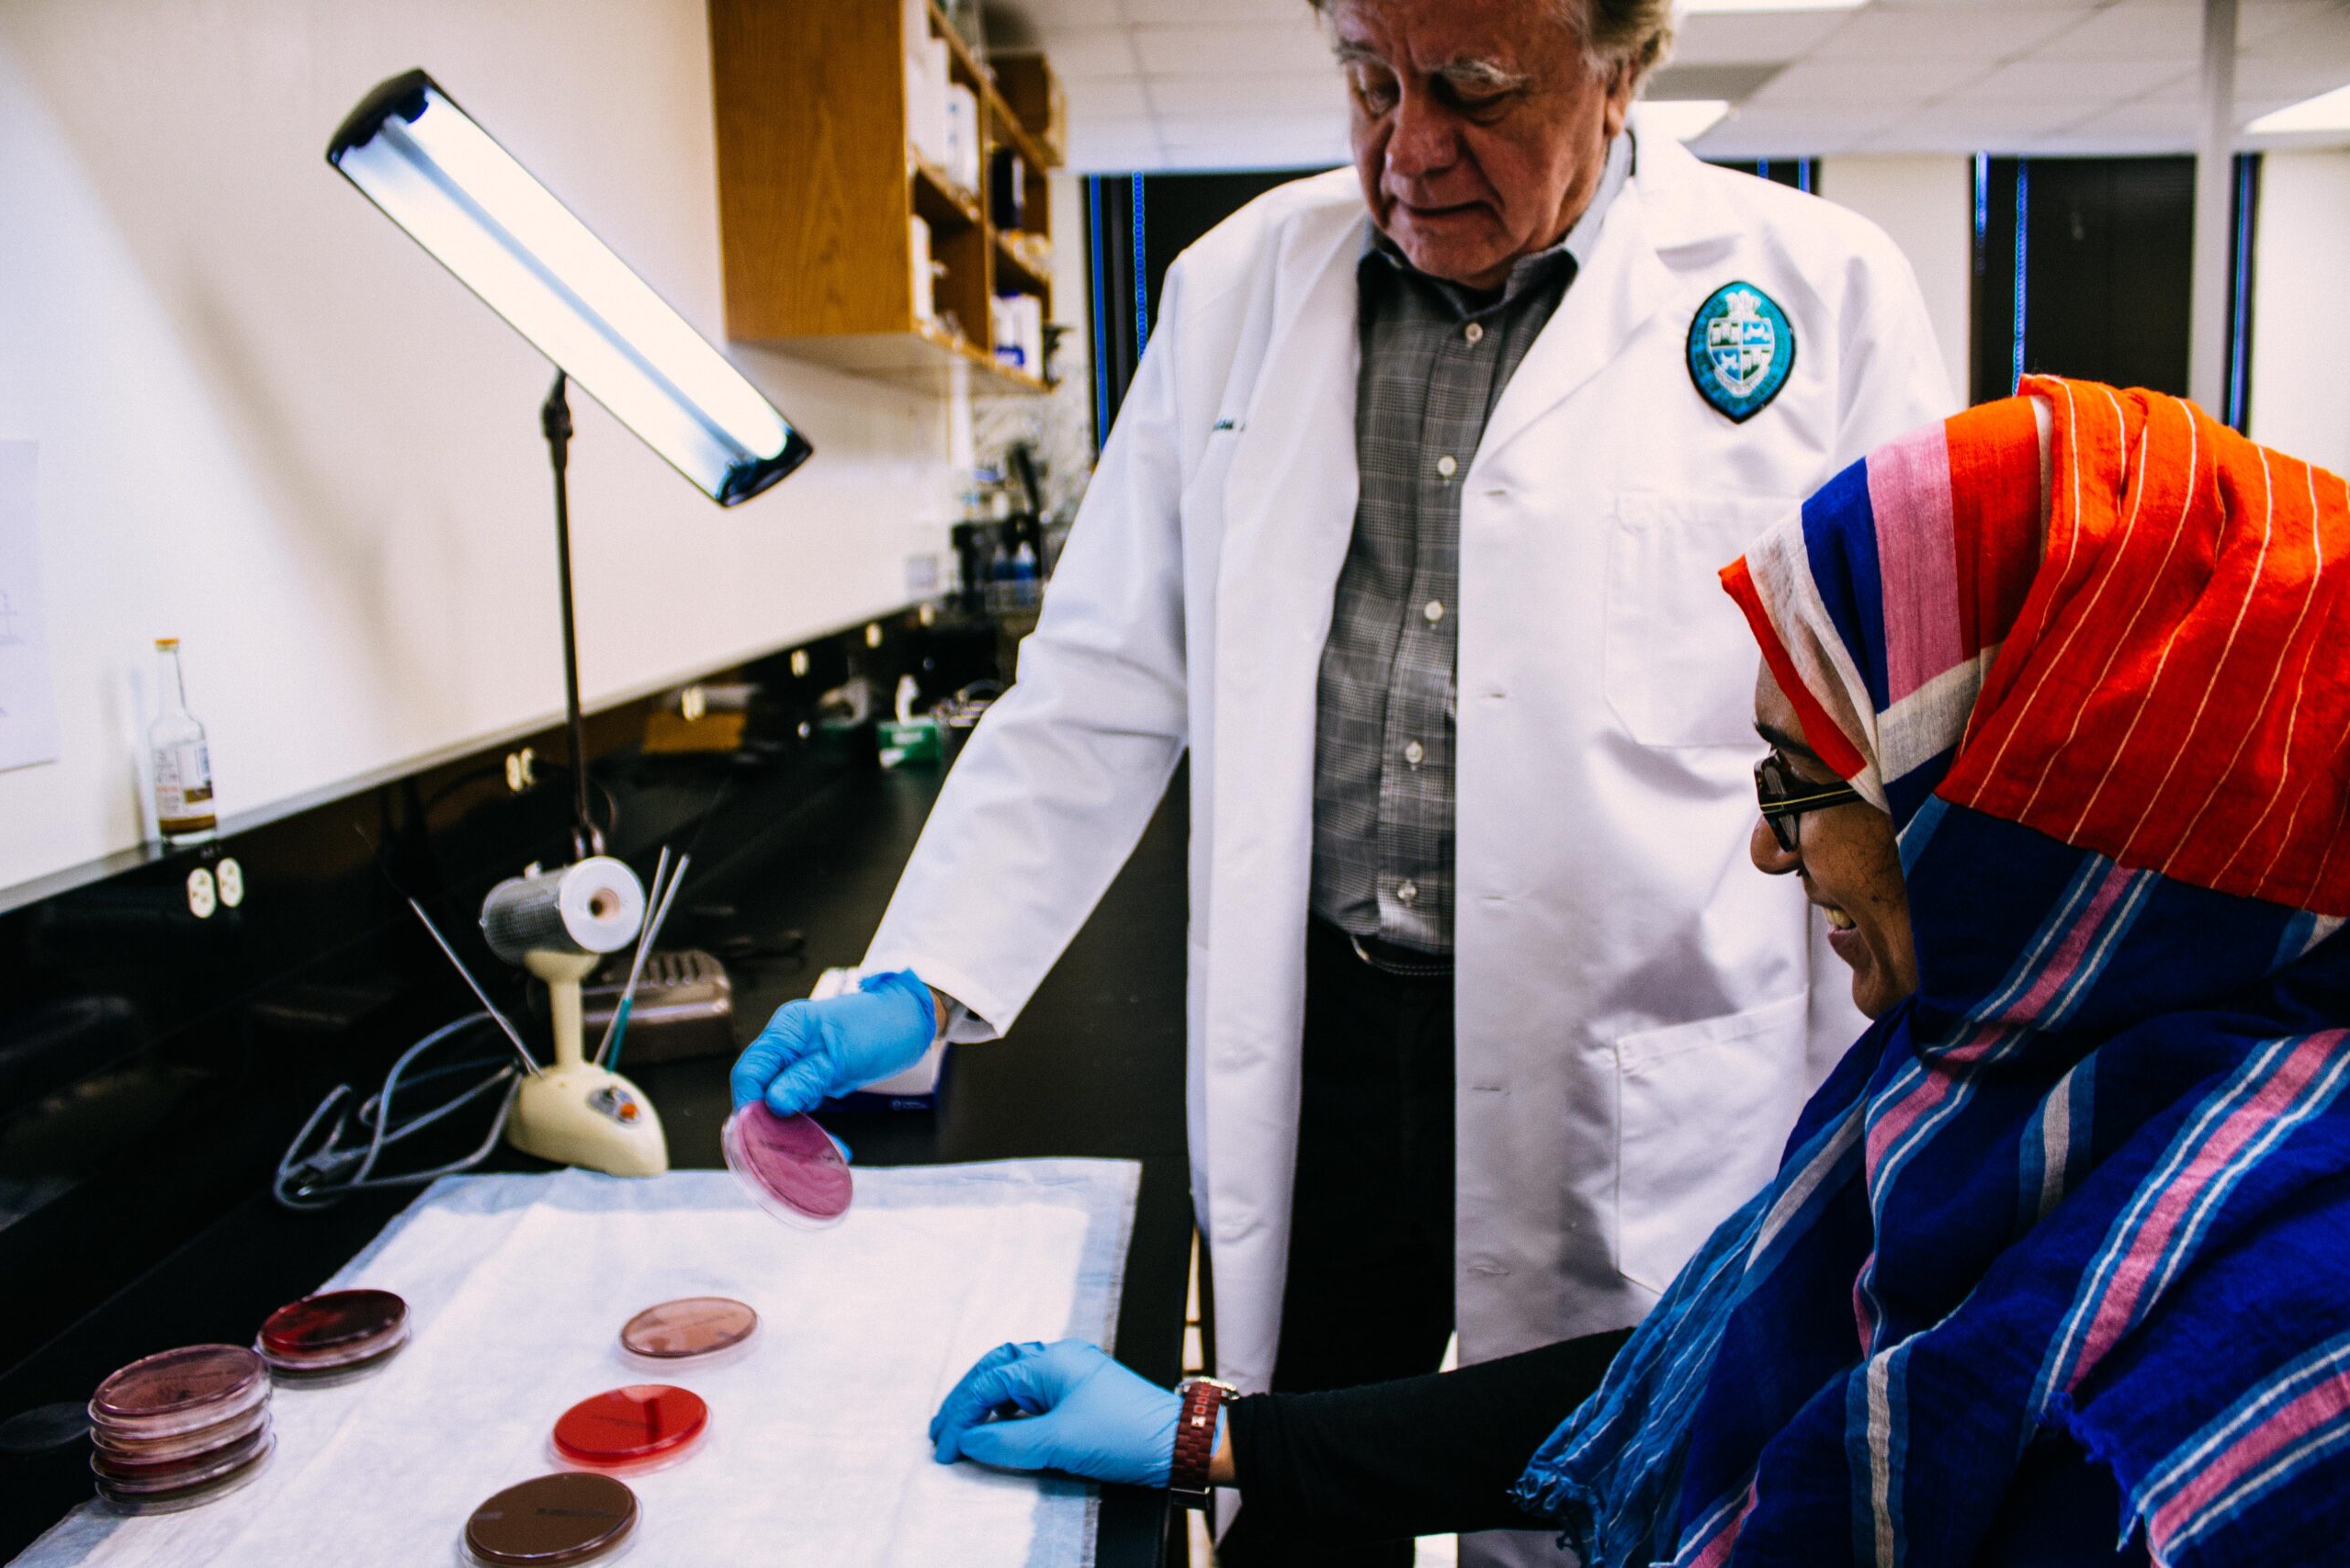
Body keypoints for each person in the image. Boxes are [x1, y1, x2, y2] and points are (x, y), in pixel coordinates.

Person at [735, 1, 1949, 1559]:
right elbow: (1108, 671)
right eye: (1369, 81)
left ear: (1625, 62)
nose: (1409, 147)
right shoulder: (1236, 283)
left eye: (1476, 89)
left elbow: (1911, 713)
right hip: (1329, 1038)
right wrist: (927, 970)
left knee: (1616, 1490)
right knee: (1299, 1484)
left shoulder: (1816, 293)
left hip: (1642, 1054)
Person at [925, 379, 2350, 1565]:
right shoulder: (2005, 1074)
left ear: (2004, 809)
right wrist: (1202, 1431)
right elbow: (1698, 1358)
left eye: (1805, 783)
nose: (1771, 857)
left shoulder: (2257, 1345)